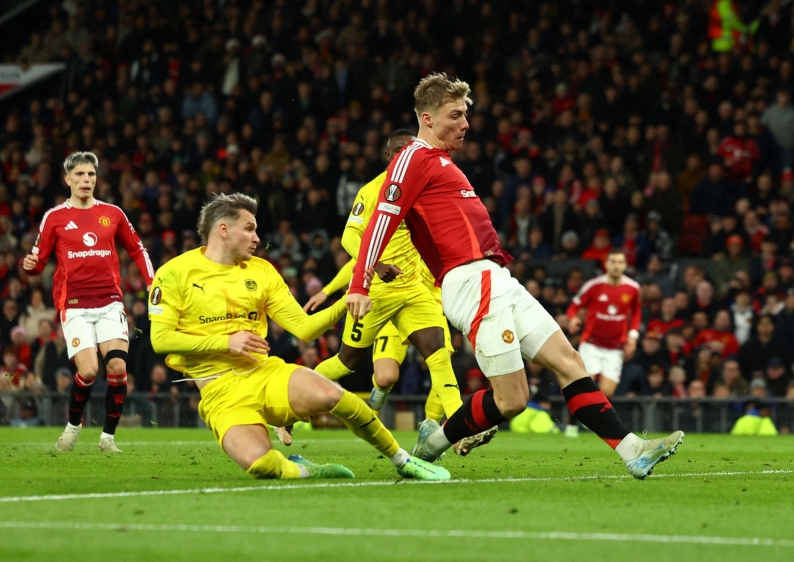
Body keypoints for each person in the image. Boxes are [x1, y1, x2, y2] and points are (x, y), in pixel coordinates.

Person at [345, 73, 684, 479]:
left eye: (467, 114)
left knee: (569, 361)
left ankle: (633, 451)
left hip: (496, 277)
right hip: (471, 281)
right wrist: (359, 283)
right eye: (455, 115)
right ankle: (433, 445)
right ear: (427, 118)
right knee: (512, 400)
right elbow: (381, 220)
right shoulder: (412, 157)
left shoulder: (439, 163)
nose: (466, 124)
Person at [148, 192, 448, 481]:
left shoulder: (262, 271)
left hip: (263, 373)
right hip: (219, 390)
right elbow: (160, 340)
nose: (257, 238)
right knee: (261, 465)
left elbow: (305, 329)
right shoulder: (174, 273)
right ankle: (307, 470)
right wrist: (227, 342)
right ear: (223, 230)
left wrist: (351, 296)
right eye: (249, 229)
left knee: (332, 394)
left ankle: (403, 460)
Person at [302, 130, 480, 452]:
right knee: (348, 362)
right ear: (388, 156)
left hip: (416, 290)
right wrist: (376, 266)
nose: (405, 156)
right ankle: (296, 395)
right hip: (379, 294)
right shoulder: (371, 192)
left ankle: (458, 426)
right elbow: (349, 240)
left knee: (438, 355)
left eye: (410, 150)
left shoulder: (423, 190)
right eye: (398, 151)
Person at [24, 152, 155, 453]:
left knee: (119, 368)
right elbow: (39, 261)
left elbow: (138, 249)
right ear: (67, 179)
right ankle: (73, 426)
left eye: (91, 175)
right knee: (88, 371)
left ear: (97, 178)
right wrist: (30, 264)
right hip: (75, 305)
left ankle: (108, 438)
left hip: (110, 302)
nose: (86, 180)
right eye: (80, 175)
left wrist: (151, 282)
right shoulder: (54, 217)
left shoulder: (113, 213)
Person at [563, 249, 641, 437]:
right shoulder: (593, 286)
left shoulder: (633, 288)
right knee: (583, 386)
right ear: (606, 264)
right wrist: (573, 319)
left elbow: (637, 313)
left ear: (625, 265)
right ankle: (572, 424)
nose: (616, 265)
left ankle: (589, 423)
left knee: (606, 393)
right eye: (613, 261)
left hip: (615, 348)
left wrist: (633, 336)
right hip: (591, 344)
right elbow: (574, 306)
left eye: (620, 262)